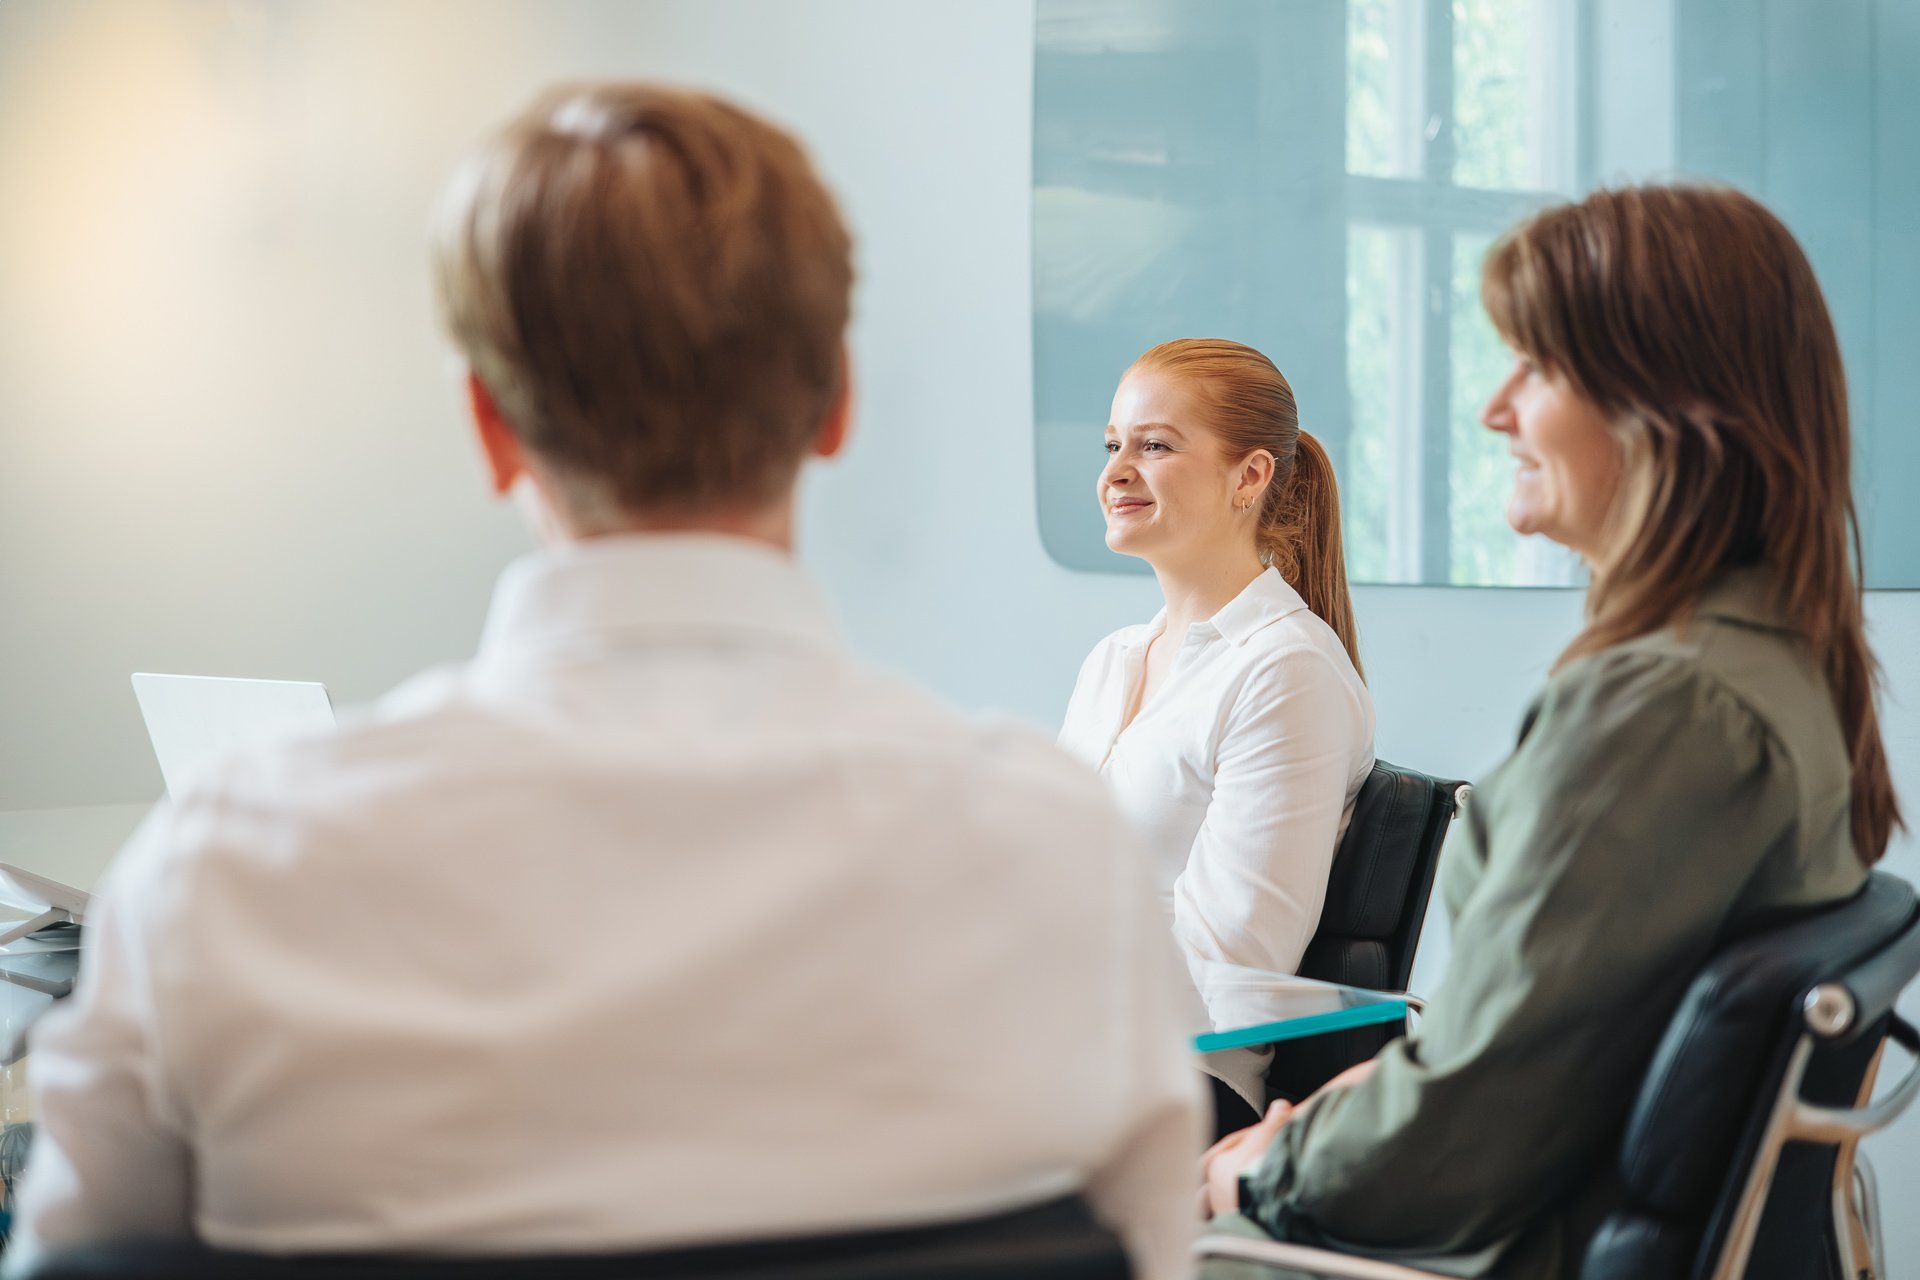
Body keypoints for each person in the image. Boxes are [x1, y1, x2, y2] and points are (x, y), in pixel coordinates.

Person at [7, 83, 1202, 1278]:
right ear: (836, 403)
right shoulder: (1060, 857)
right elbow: (1155, 1248)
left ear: (488, 426)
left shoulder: (226, 872)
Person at [1200, 184, 1903, 1279]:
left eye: (1536, 367)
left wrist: (1269, 1171)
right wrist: (1340, 1119)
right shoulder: (1783, 668)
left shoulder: (1659, 712)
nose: (1495, 409)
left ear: (1666, 406)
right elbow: (1520, 1052)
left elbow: (1465, 1135)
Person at [1057, 339, 1376, 1130]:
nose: (1116, 472)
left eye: (1154, 446)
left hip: (1176, 1086)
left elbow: (1230, 966)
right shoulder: (1112, 662)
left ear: (1251, 476)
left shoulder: (1287, 671)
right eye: (1112, 445)